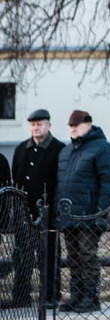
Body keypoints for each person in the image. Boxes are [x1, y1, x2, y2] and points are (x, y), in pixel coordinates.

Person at [55, 110, 110, 313]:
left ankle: (91, 298)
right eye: (70, 125)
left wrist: (100, 213)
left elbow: (107, 183)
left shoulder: (102, 148)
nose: (73, 128)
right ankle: (77, 296)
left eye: (77, 125)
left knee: (87, 255)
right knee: (73, 257)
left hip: (89, 214)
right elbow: (61, 184)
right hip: (69, 215)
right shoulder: (66, 151)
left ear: (89, 124)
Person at [5, 109, 65, 308]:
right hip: (24, 213)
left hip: (47, 213)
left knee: (47, 256)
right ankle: (21, 297)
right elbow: (16, 179)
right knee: (23, 256)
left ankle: (49, 296)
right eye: (32, 124)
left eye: (39, 124)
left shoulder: (59, 149)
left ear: (49, 125)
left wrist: (54, 210)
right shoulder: (22, 149)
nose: (36, 127)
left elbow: (60, 182)